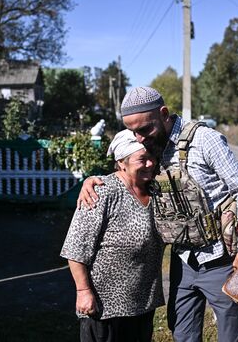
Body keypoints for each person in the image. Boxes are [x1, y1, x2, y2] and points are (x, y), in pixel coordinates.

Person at [78, 87, 238, 342]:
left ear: (163, 114)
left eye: (143, 130)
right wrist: (93, 180)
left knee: (231, 335)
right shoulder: (150, 141)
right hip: (183, 260)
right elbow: (125, 165)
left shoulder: (205, 140)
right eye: (133, 131)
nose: (139, 138)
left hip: (222, 260)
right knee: (182, 332)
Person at [60, 129, 164, 342]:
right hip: (105, 306)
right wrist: (83, 290)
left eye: (153, 157)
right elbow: (75, 247)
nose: (150, 163)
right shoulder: (102, 191)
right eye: (142, 159)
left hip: (143, 302)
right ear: (122, 162)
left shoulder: (155, 190)